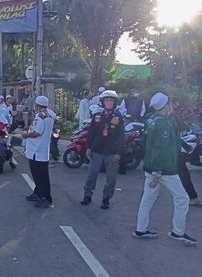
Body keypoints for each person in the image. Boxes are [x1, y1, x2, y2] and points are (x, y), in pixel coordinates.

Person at [132, 92, 197, 245]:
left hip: (152, 167)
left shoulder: (154, 120)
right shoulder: (162, 125)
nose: (172, 105)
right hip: (164, 169)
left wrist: (184, 146)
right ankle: (178, 232)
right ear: (166, 105)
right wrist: (157, 173)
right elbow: (160, 149)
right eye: (170, 103)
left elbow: (151, 142)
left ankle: (141, 229)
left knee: (147, 199)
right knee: (182, 198)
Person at [81, 90, 125, 209]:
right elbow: (91, 133)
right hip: (97, 150)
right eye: (107, 101)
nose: (109, 103)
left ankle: (106, 199)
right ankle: (87, 195)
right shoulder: (97, 116)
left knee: (111, 178)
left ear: (115, 103)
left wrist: (118, 153)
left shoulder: (118, 118)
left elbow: (121, 137)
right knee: (92, 174)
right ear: (102, 102)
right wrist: (89, 147)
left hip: (112, 152)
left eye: (111, 101)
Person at [23, 96, 56, 208]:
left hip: (37, 150)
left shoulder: (40, 117)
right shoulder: (50, 114)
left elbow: (37, 133)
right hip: (42, 149)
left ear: (37, 105)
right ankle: (37, 193)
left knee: (40, 176)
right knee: (38, 175)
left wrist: (25, 135)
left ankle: (46, 198)